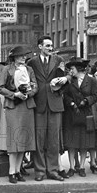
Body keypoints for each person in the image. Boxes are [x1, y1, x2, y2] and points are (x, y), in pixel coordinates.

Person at [26, 36, 69, 181]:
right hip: (39, 104)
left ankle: (53, 170)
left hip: (55, 103)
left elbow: (67, 76)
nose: (50, 48)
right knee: (39, 139)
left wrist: (65, 79)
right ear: (40, 47)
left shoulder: (58, 60)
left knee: (53, 140)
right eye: (47, 46)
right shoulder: (32, 62)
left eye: (51, 46)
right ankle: (40, 171)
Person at [0, 46, 37, 184]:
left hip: (27, 105)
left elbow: (35, 85)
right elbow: (1, 88)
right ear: (14, 57)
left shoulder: (29, 69)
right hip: (13, 106)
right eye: (20, 56)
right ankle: (11, 172)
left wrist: (28, 94)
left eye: (24, 55)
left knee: (24, 140)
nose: (23, 58)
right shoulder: (6, 69)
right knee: (14, 140)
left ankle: (18, 170)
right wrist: (15, 94)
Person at [62, 57, 97, 177]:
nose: (70, 71)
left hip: (85, 113)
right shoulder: (69, 81)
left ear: (78, 69)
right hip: (72, 114)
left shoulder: (91, 81)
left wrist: (86, 101)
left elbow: (95, 95)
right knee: (72, 142)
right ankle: (72, 167)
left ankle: (82, 166)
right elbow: (65, 95)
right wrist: (71, 103)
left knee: (84, 142)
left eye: (72, 69)